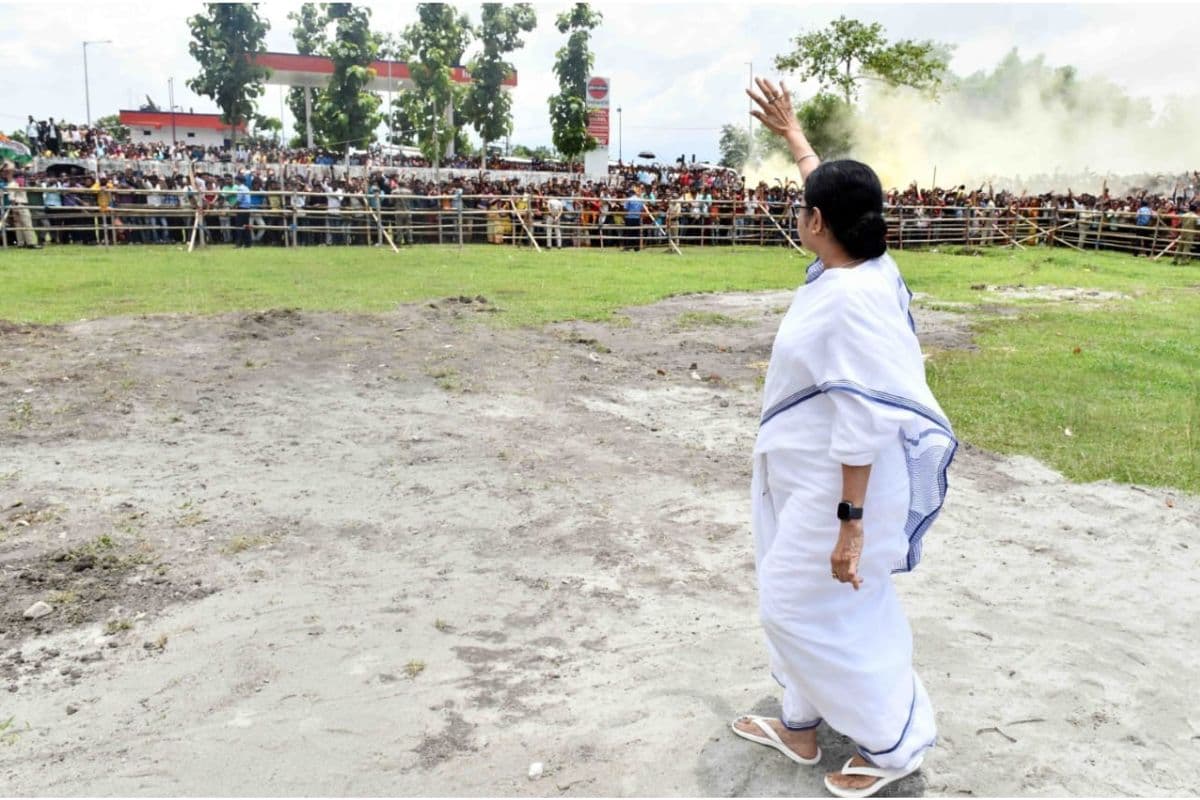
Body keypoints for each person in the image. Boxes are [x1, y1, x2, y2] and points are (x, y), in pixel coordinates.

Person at [729, 77, 957, 799]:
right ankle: (798, 722)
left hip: (842, 486)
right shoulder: (863, 264)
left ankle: (896, 742)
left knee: (796, 604)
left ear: (818, 221)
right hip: (801, 475)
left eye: (805, 208)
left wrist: (851, 528)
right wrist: (795, 139)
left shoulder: (853, 302)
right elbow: (825, 189)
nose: (800, 212)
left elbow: (861, 422)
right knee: (794, 591)